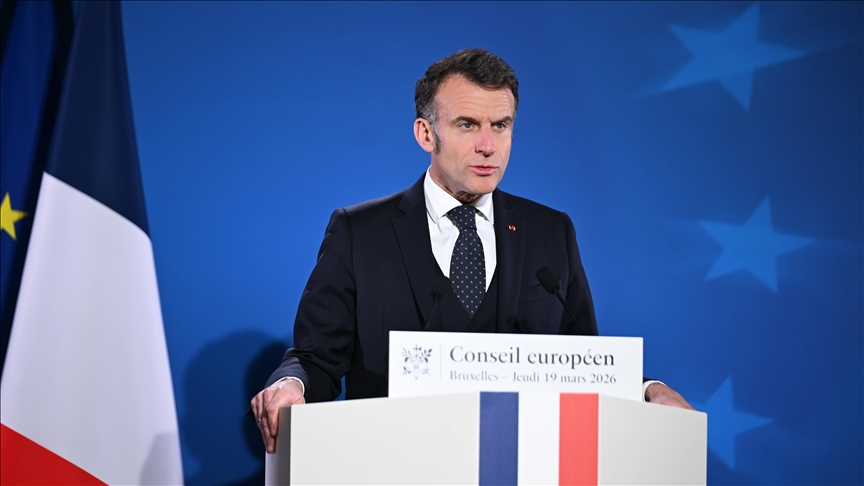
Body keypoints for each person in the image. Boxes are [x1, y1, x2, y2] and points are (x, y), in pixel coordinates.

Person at [251, 48, 692, 453]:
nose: (488, 145)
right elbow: (316, 359)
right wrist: (292, 385)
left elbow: (584, 365)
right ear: (426, 133)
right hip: (396, 461)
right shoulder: (360, 233)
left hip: (523, 463)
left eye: (500, 125)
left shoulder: (550, 232)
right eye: (467, 125)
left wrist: (646, 391)